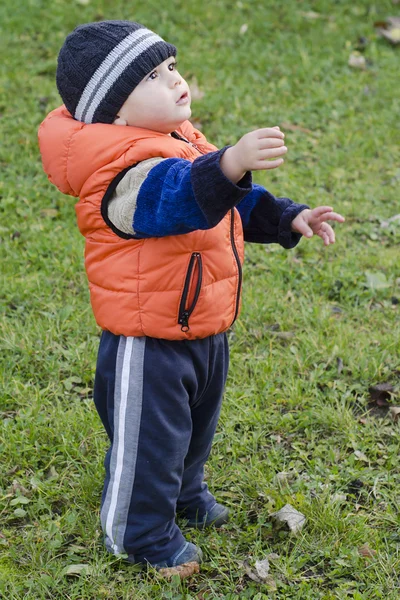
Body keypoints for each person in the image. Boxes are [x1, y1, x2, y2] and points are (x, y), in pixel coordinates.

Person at [38, 20, 344, 570]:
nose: (175, 80)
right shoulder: (117, 171)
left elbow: (227, 200)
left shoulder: (179, 139)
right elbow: (178, 200)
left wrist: (286, 216)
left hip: (202, 323)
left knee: (194, 428)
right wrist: (228, 163)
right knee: (149, 443)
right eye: (154, 76)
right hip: (148, 338)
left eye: (172, 66)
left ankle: (183, 494)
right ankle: (140, 534)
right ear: (116, 112)